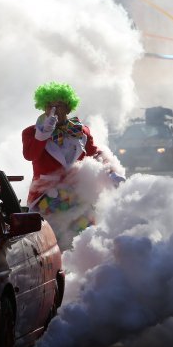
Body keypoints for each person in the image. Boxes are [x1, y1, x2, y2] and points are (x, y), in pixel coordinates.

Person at [21, 82, 124, 243]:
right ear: (44, 108)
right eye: (49, 105)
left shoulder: (81, 131)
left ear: (68, 108)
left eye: (59, 105)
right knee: (50, 243)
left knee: (83, 239)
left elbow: (93, 154)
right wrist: (43, 134)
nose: (54, 109)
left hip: (78, 196)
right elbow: (30, 155)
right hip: (46, 198)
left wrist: (111, 172)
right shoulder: (31, 132)